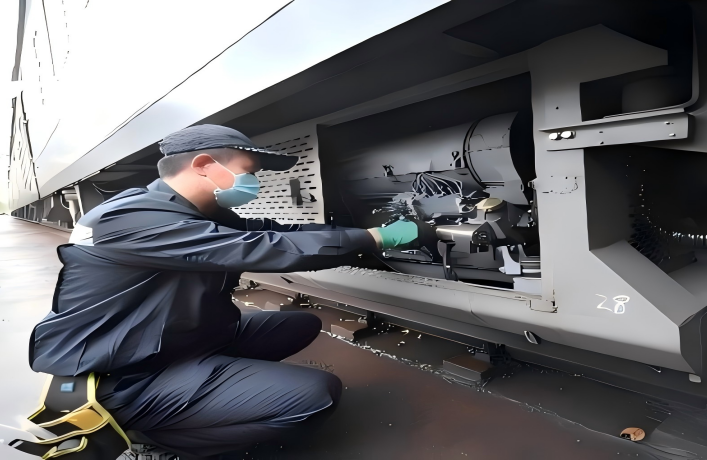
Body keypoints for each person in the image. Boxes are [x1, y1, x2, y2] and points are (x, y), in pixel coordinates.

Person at [27, 125, 429, 459]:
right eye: (248, 171)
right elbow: (263, 249)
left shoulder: (188, 211)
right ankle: (157, 439)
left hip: (168, 343)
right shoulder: (129, 216)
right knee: (316, 394)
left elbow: (277, 232)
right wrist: (379, 238)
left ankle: (206, 390)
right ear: (204, 165)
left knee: (299, 325)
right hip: (125, 375)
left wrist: (367, 232)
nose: (254, 182)